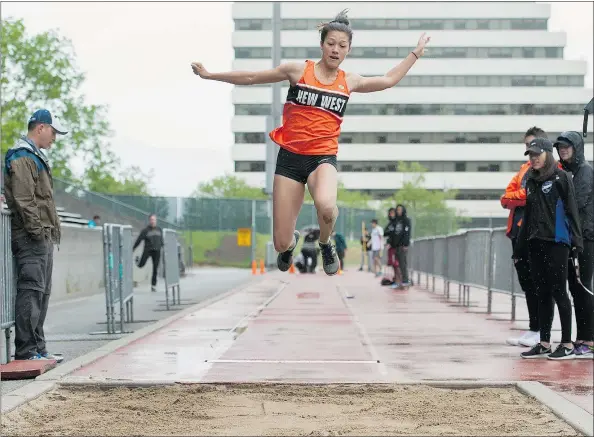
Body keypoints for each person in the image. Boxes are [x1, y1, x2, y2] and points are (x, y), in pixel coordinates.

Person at [191, 10, 430, 276]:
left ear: (348, 50)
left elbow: (388, 80)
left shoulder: (349, 81)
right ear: (321, 45)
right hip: (290, 160)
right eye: (331, 44)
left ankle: (325, 243)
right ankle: (291, 242)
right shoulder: (298, 71)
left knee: (327, 206)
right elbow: (252, 77)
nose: (335, 50)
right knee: (281, 241)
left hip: (322, 159)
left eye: (342, 45)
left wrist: (416, 53)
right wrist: (210, 75)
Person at [4, 109, 67, 361]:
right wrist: (37, 232)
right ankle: (27, 350)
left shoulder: (35, 157)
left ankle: (39, 348)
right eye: (53, 132)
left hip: (41, 236)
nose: (55, 138)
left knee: (41, 291)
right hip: (31, 237)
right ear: (40, 128)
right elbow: (24, 199)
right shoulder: (22, 156)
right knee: (31, 289)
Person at [513, 138, 583, 360]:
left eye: (536, 154)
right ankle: (544, 343)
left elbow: (572, 209)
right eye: (530, 155)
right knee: (542, 293)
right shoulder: (531, 181)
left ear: (547, 154)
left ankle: (567, 343)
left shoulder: (561, 177)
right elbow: (528, 215)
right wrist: (519, 248)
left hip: (557, 242)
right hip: (535, 243)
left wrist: (577, 243)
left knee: (559, 291)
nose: (533, 159)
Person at [500, 127, 548, 348]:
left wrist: (516, 197)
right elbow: (506, 196)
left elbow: (528, 194)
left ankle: (541, 331)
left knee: (539, 283)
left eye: (534, 145)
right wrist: (515, 197)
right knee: (527, 282)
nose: (531, 151)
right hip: (518, 231)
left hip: (535, 233)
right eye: (527, 146)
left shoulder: (548, 171)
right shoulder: (523, 169)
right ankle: (534, 328)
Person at [554, 131, 594, 359]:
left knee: (583, 286)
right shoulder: (567, 171)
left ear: (576, 147)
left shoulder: (585, 171)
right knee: (575, 288)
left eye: (567, 146)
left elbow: (577, 203)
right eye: (560, 146)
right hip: (572, 238)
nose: (563, 149)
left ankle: (588, 339)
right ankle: (581, 337)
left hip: (586, 238)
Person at [133, 213, 164, 292]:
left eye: (154, 220)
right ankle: (137, 261)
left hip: (157, 251)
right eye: (151, 220)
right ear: (149, 221)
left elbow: (161, 240)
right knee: (141, 264)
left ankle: (153, 285)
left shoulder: (159, 229)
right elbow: (139, 240)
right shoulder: (145, 230)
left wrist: (163, 246)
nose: (152, 221)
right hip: (148, 250)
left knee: (155, 268)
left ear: (156, 221)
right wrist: (133, 248)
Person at [390, 204, 411, 288]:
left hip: (402, 245)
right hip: (396, 246)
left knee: (403, 263)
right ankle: (399, 281)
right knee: (397, 264)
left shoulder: (406, 220)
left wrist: (405, 244)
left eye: (399, 210)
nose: (398, 211)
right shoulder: (396, 221)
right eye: (397, 210)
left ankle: (405, 280)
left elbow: (407, 233)